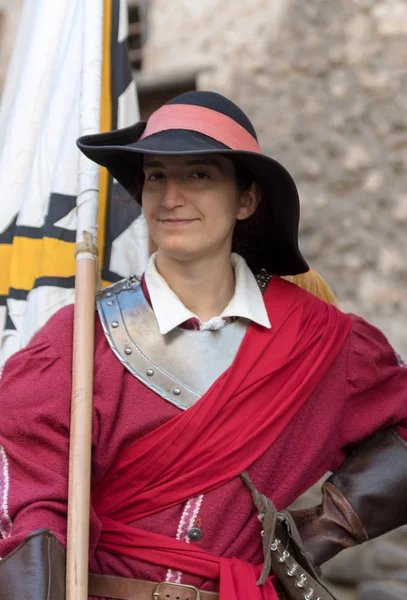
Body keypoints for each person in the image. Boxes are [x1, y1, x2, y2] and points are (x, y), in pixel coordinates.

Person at [0, 91, 406, 600]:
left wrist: (322, 530)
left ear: (246, 199)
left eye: (199, 175)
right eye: (156, 176)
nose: (171, 197)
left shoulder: (319, 339)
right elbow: (33, 514)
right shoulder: (77, 343)